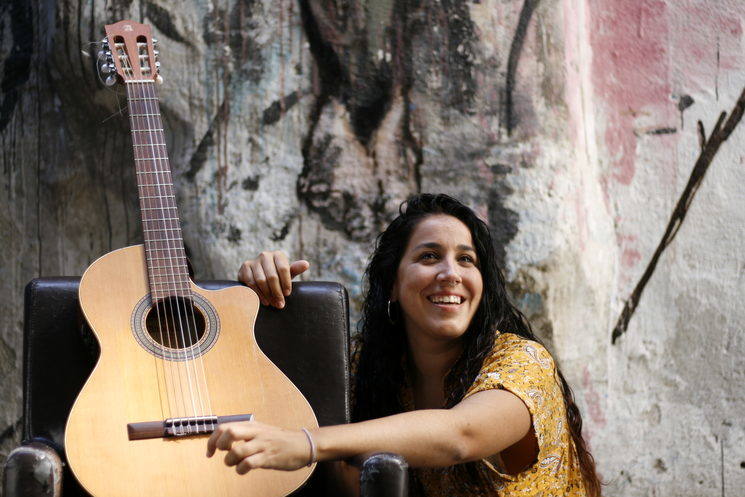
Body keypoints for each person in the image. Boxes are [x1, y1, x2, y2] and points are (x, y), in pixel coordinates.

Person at [207, 193, 601, 496]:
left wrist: (308, 443)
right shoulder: (376, 370)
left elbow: (460, 435)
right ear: (392, 285)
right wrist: (266, 297)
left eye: (467, 260)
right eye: (430, 256)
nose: (450, 273)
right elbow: (348, 483)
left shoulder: (522, 361)